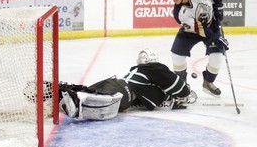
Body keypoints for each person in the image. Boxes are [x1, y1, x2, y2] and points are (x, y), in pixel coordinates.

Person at [58, 49, 198, 121]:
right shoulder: (155, 68)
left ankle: (62, 92)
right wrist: (184, 94)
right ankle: (73, 102)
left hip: (114, 82)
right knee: (92, 100)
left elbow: (149, 97)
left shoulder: (138, 72)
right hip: (122, 92)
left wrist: (170, 100)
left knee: (88, 91)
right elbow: (177, 87)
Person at [166, 0, 229, 97]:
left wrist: (219, 4)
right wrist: (216, 38)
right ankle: (182, 86)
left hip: (212, 25)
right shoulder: (178, 13)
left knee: (217, 58)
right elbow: (201, 30)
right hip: (191, 31)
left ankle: (208, 82)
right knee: (177, 55)